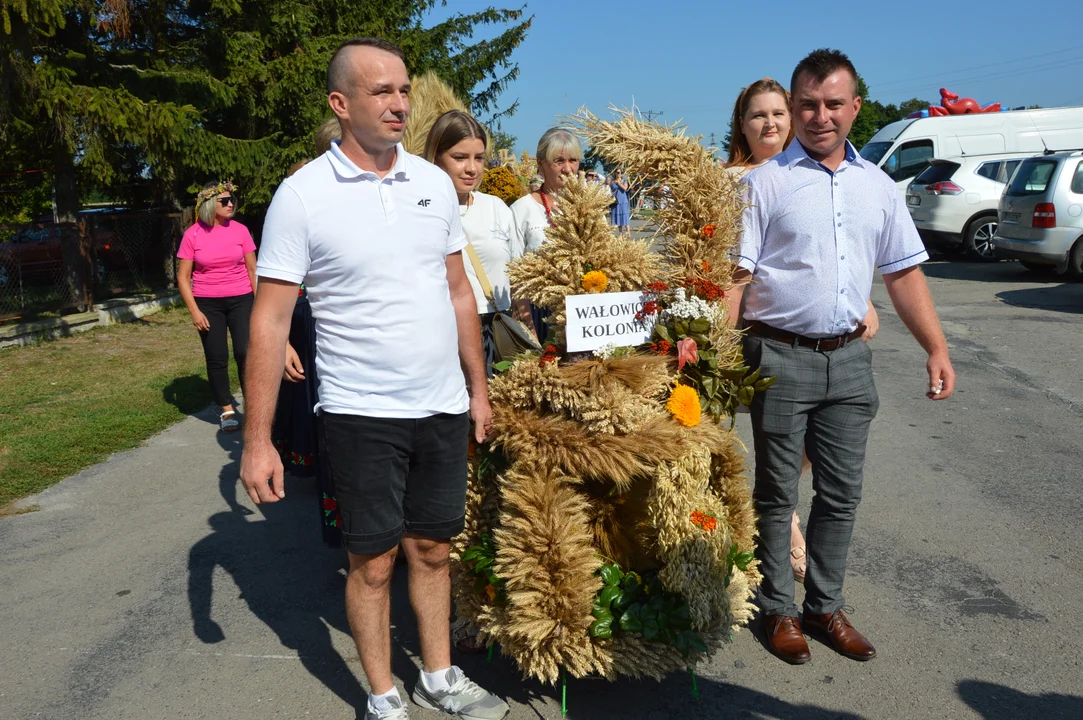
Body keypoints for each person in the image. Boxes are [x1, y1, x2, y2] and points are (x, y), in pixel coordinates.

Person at [239, 36, 508, 720]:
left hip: (441, 406)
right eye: (380, 90)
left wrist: (476, 391)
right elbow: (270, 321)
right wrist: (258, 439)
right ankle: (384, 694)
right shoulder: (302, 196)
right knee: (373, 561)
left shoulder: (431, 184)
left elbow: (457, 294)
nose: (398, 102)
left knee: (433, 548)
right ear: (341, 103)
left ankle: (440, 677)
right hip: (359, 412)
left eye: (402, 89)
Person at [727, 49, 955, 666]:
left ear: (855, 107)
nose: (819, 115)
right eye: (808, 103)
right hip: (779, 356)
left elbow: (904, 273)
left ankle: (823, 607)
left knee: (842, 493)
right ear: (795, 107)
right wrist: (714, 361)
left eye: (833, 103)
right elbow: (732, 280)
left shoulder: (877, 188)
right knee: (777, 495)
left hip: (852, 362)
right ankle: (778, 609)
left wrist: (935, 347)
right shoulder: (761, 185)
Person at [726, 77, 880, 585]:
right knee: (777, 463)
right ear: (741, 125)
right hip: (767, 340)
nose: (769, 123)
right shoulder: (737, 184)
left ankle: (797, 553)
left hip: (832, 349)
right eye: (757, 115)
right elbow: (727, 274)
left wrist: (863, 301)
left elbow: (837, 253)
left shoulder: (827, 175)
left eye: (777, 113)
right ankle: (784, 538)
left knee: (818, 463)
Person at [272, 121, 344, 548]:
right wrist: (281, 342)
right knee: (324, 416)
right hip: (314, 324)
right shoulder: (301, 198)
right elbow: (274, 290)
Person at [424, 110, 533, 376]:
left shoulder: (496, 208)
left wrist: (528, 330)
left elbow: (518, 275)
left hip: (499, 327)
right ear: (436, 158)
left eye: (479, 158)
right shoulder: (423, 211)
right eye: (459, 158)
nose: (472, 168)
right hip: (447, 331)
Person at [176, 181, 256, 433]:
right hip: (207, 303)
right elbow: (182, 277)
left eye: (232, 199)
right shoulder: (193, 235)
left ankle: (253, 407)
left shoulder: (241, 230)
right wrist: (194, 311)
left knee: (245, 352)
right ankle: (227, 409)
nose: (230, 203)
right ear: (211, 204)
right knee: (217, 356)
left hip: (242, 299)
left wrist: (262, 303)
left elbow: (253, 269)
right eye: (224, 200)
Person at [511, 127, 582, 339]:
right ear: (541, 164)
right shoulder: (521, 210)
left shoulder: (589, 208)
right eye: (559, 161)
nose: (568, 169)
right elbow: (513, 275)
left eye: (573, 160)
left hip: (582, 314)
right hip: (539, 314)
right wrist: (526, 328)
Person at [608, 168, 631, 237]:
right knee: (618, 217)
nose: (618, 174)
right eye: (617, 172)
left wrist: (619, 183)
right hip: (616, 202)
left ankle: (628, 232)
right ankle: (620, 233)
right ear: (615, 173)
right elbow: (611, 190)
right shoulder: (612, 182)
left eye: (619, 172)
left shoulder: (624, 181)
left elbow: (625, 188)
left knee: (625, 216)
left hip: (623, 201)